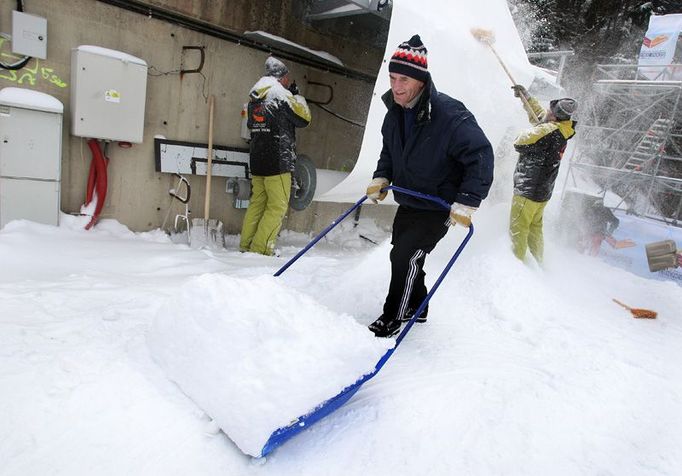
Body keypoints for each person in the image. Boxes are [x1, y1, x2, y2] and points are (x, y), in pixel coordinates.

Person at [366, 34, 495, 338]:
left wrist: (467, 201)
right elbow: (390, 151)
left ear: (421, 80)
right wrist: (381, 177)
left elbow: (480, 155)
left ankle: (393, 315)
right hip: (409, 199)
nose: (396, 86)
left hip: (438, 203)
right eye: (393, 77)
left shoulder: (450, 115)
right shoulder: (395, 112)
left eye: (404, 80)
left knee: (405, 255)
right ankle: (418, 304)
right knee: (406, 252)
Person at [239, 57, 311, 256]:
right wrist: (296, 96)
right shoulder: (281, 95)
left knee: (257, 204)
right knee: (277, 207)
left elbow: (250, 126)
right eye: (287, 78)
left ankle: (246, 245)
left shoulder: (255, 98)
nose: (288, 81)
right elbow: (304, 118)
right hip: (278, 162)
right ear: (280, 78)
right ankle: (261, 250)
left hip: (258, 160)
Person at [509, 85, 577, 263]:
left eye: (550, 110)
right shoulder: (562, 128)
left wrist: (540, 126)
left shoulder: (548, 131)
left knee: (518, 229)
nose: (547, 111)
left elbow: (520, 142)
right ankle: (538, 263)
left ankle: (516, 269)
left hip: (528, 191)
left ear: (554, 116)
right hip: (542, 192)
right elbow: (541, 119)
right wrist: (526, 98)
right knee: (534, 228)